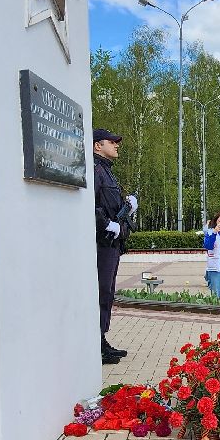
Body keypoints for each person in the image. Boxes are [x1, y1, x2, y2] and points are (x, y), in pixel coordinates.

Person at [93, 127, 136, 364]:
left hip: (112, 244)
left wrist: (127, 205)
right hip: (103, 242)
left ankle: (100, 339)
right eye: (112, 142)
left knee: (107, 292)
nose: (116, 145)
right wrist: (109, 225)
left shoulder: (106, 171)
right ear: (97, 145)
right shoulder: (95, 170)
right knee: (101, 292)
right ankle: (97, 343)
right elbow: (90, 205)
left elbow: (110, 204)